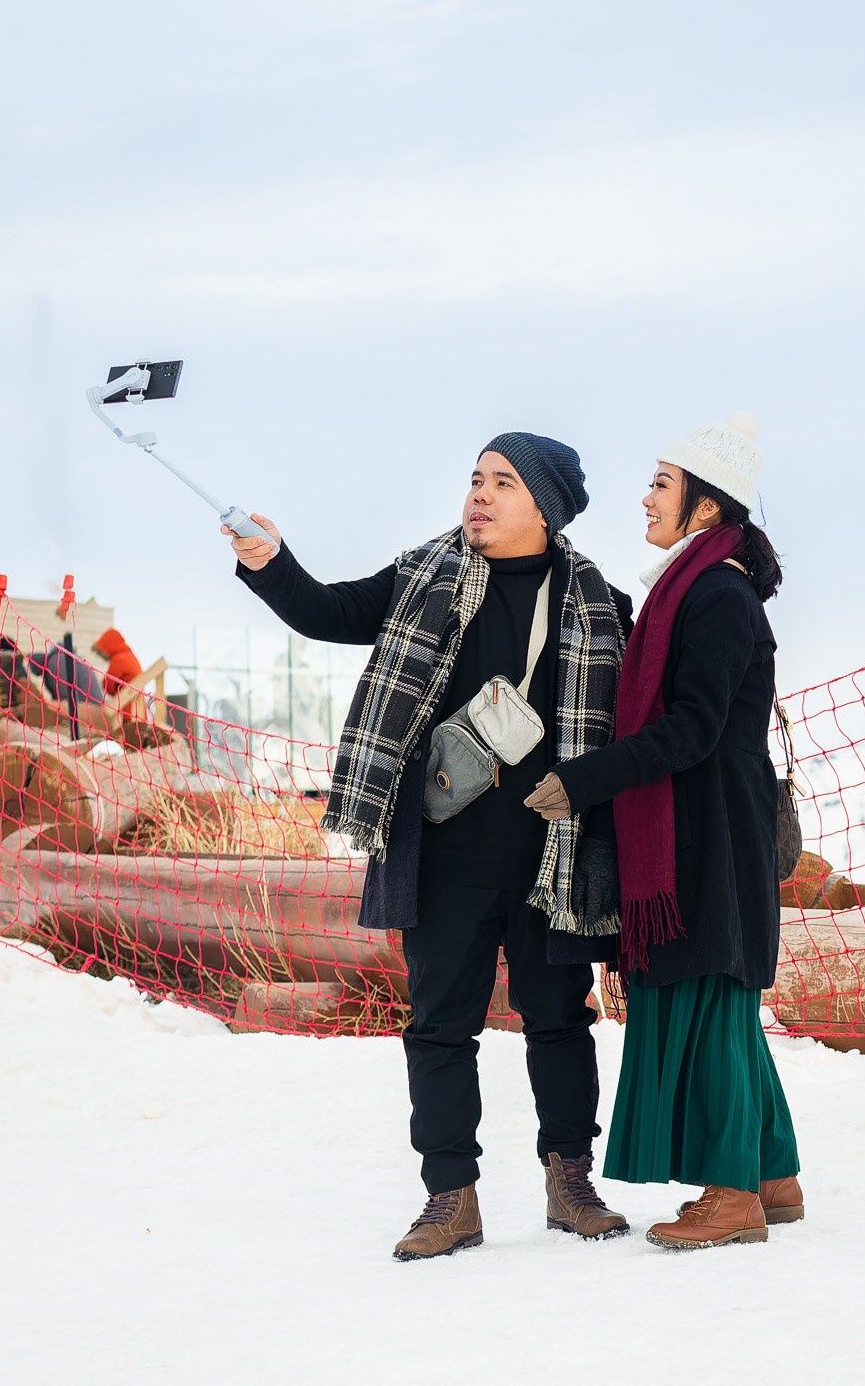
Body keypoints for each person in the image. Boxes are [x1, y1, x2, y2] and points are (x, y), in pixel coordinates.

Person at [228, 432, 635, 1260]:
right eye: (476, 479)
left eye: (504, 482)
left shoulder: (597, 604)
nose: (480, 495)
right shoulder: (427, 575)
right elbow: (330, 611)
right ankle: (451, 1197)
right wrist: (272, 561)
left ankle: (570, 1181)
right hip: (445, 851)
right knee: (440, 1028)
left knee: (560, 1022)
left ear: (545, 506)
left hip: (551, 858)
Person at [524, 414, 801, 1251]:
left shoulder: (714, 595)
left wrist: (580, 782)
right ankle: (771, 1176)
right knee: (719, 1004)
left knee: (713, 999)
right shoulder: (694, 586)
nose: (645, 497)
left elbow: (692, 728)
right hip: (704, 828)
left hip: (710, 836)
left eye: (661, 484)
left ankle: (731, 1198)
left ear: (706, 509)